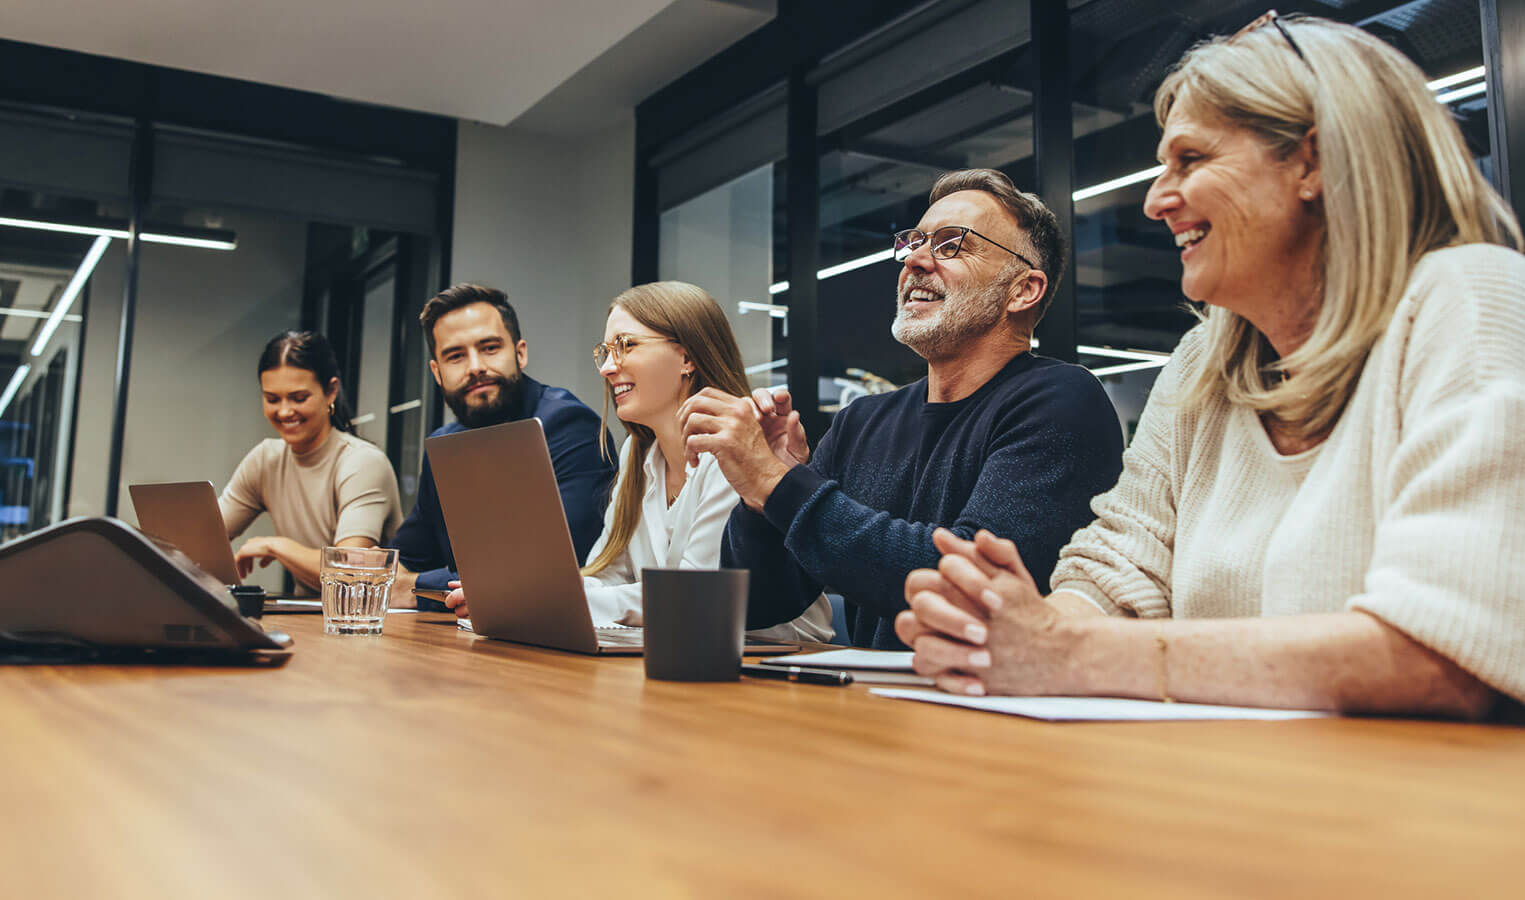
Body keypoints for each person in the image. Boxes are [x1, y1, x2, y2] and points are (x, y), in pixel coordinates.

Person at [896, 14, 1525, 733]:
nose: (1155, 199)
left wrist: (1065, 650)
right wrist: (1008, 632)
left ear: (1311, 163)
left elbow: (1451, 656)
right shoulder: (1203, 364)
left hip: (1476, 800)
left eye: (1191, 159)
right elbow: (1117, 575)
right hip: (1254, 787)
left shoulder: (1474, 300)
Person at [682, 168, 1124, 648]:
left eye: (951, 244)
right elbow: (761, 605)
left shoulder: (1061, 401)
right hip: (869, 693)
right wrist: (760, 500)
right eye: (914, 242)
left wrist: (778, 483)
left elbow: (967, 589)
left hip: (986, 693)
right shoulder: (862, 421)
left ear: (1023, 290)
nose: (915, 259)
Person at [443, 282, 832, 641]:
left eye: (626, 345)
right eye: (606, 351)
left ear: (687, 357)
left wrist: (538, 599)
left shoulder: (740, 445)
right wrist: (517, 592)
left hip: (781, 661)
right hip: (688, 650)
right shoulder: (638, 452)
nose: (607, 367)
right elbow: (608, 574)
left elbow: (693, 594)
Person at [391, 283, 616, 607]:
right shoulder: (443, 445)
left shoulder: (570, 426)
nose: (475, 367)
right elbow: (403, 560)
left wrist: (414, 587)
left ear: (520, 353)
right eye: (455, 356)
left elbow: (552, 568)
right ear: (437, 373)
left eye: (490, 348)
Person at [221, 330, 403, 590]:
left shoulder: (363, 462)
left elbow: (349, 571)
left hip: (367, 613)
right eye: (272, 399)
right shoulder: (265, 460)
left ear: (331, 392)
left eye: (299, 398)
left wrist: (276, 546)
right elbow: (204, 537)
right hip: (307, 610)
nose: (284, 411)